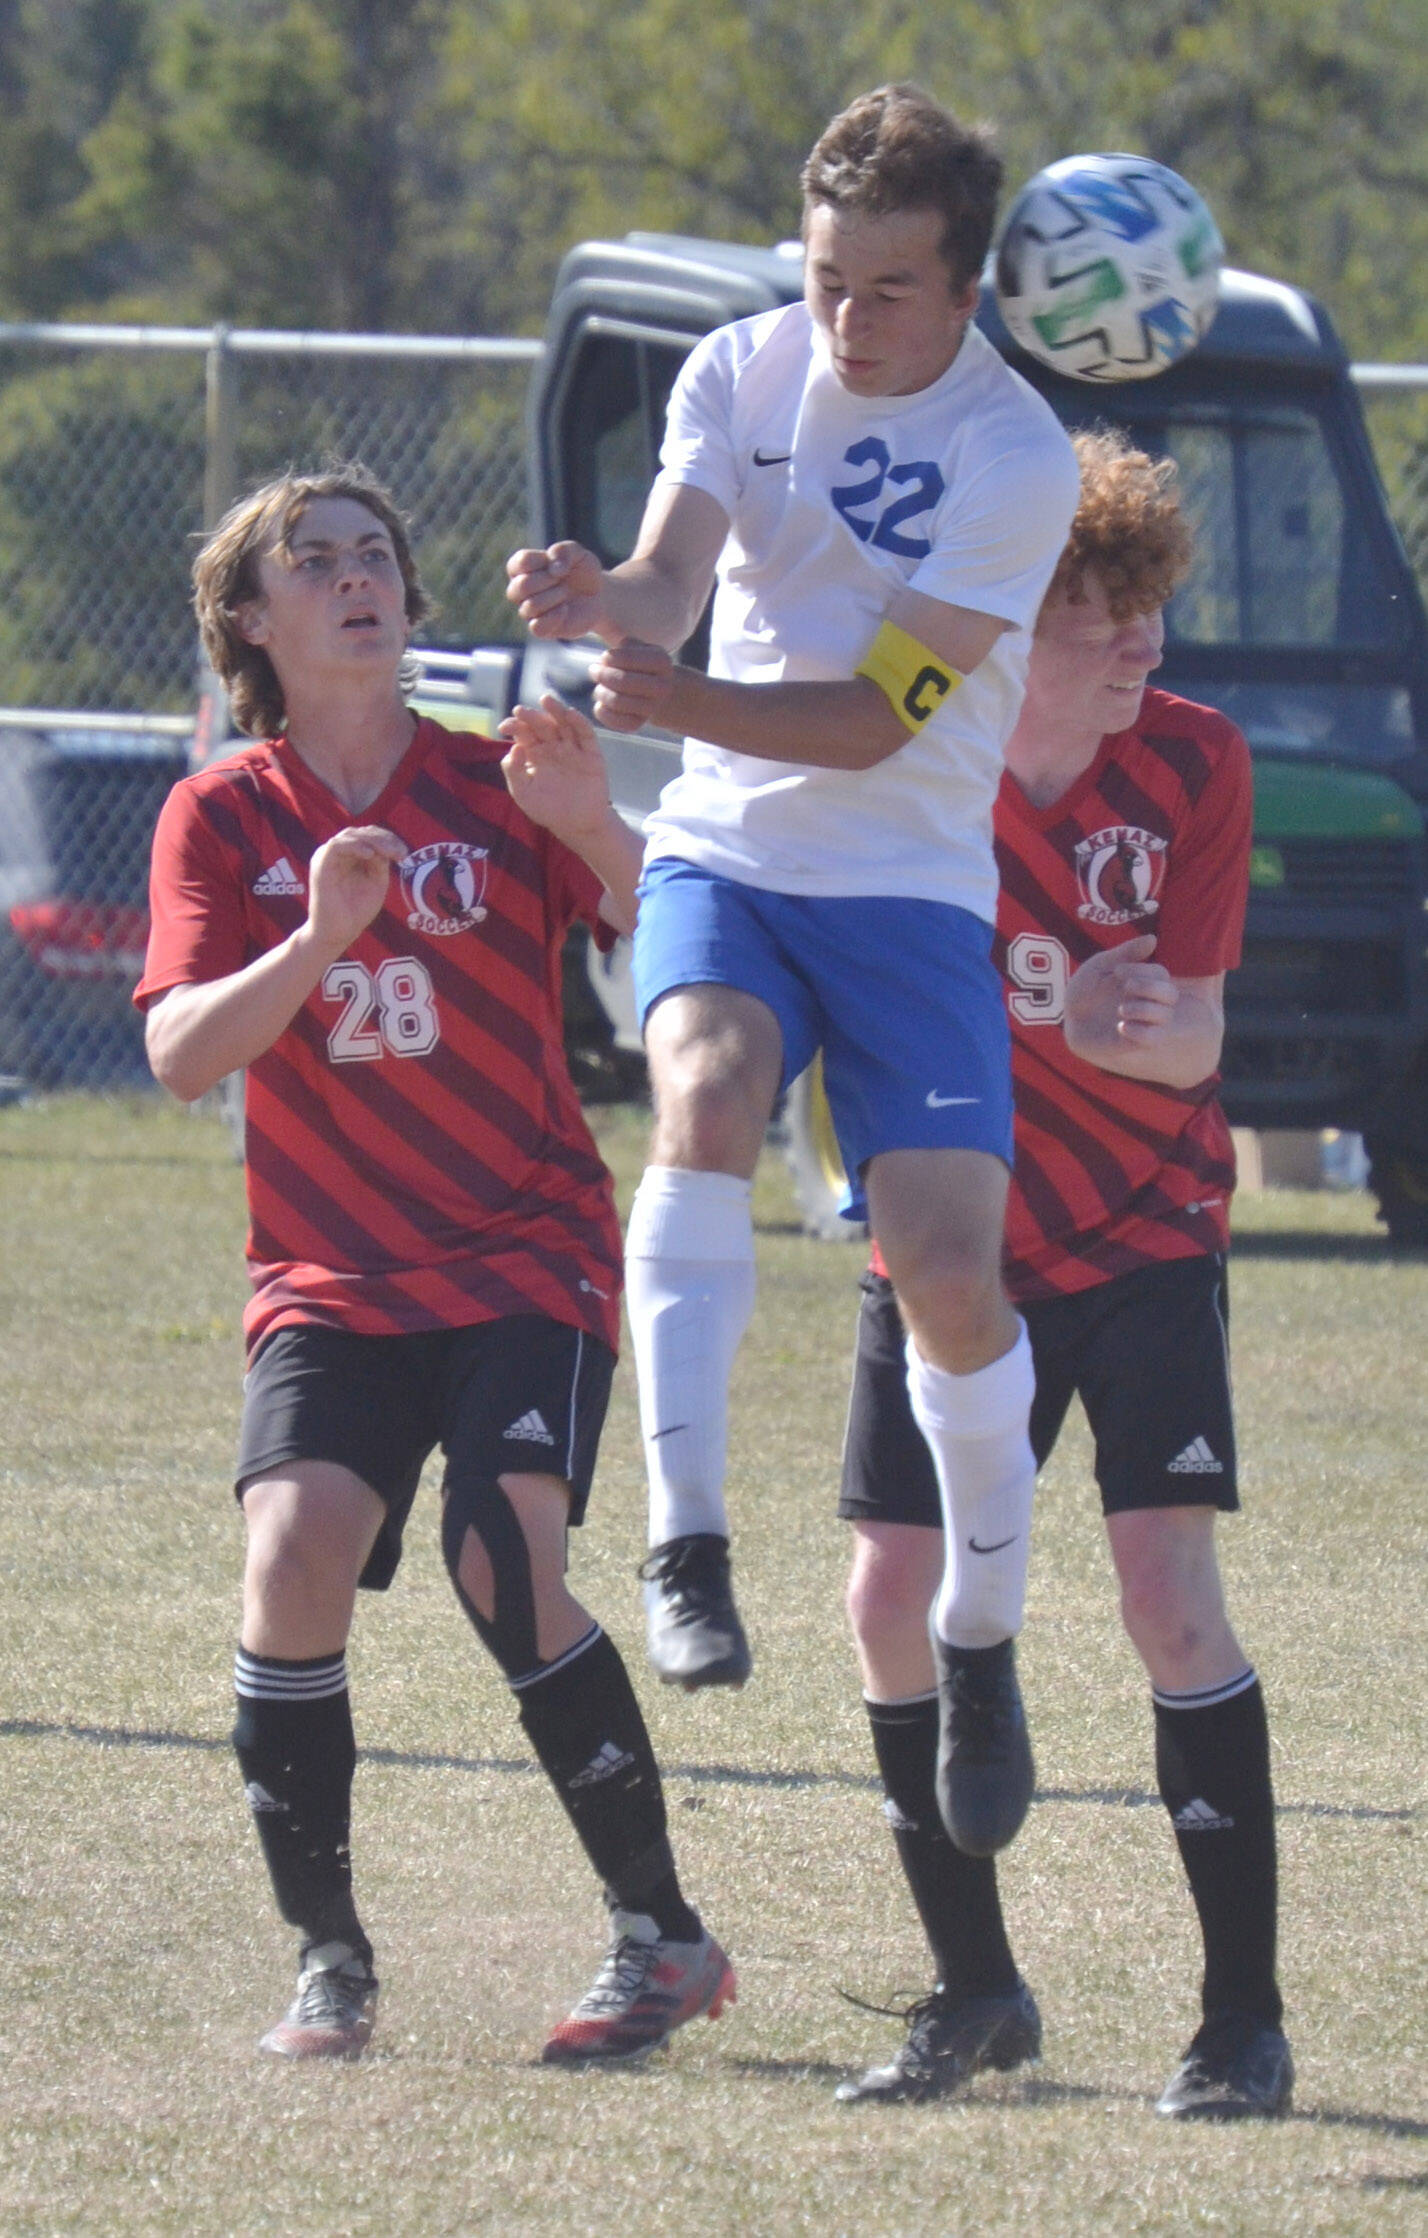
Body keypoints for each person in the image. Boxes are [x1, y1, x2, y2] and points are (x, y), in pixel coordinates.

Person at [508, 85, 1080, 1860]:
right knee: (701, 1091)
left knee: (951, 1275)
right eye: (827, 276)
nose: (846, 318)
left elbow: (876, 717)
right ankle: (685, 1540)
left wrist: (682, 695)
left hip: (909, 885)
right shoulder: (740, 368)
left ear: (967, 290)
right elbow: (672, 575)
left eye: (889, 289)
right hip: (730, 857)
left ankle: (981, 1632)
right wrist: (607, 596)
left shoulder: (1017, 455)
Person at [136, 463, 733, 2064]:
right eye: (314, 560)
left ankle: (662, 1936)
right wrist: (313, 940)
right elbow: (183, 1053)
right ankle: (330, 1957)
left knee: (501, 1553)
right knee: (291, 1555)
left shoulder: (496, 777)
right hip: (329, 1274)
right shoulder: (221, 816)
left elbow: (676, 926)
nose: (358, 578)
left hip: (523, 1245)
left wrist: (590, 818)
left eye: (376, 556)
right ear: (252, 619)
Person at [834, 430, 1292, 2121]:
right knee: (889, 1596)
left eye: (1148, 600)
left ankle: (1240, 2021)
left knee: (1168, 1596)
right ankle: (975, 1990)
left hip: (1146, 1233)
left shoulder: (1195, 760)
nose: (1138, 639)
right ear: (1007, 622)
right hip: (948, 1242)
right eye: (1096, 610)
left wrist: (1124, 1025)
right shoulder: (912, 772)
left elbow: (1199, 1038)